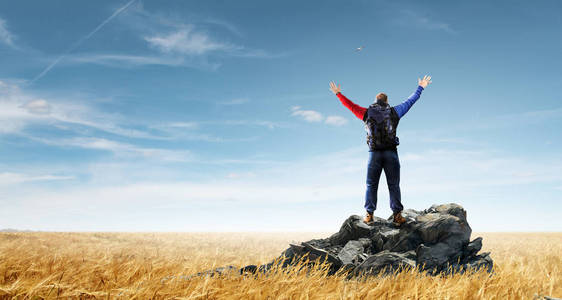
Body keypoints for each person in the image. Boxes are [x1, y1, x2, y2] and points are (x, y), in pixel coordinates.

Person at [329, 75, 432, 225]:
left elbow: (350, 106)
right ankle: (397, 215)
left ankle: (369, 215)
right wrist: (420, 87)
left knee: (371, 185)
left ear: (375, 100)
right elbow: (410, 101)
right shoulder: (395, 111)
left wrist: (338, 94)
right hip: (391, 153)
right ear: (387, 101)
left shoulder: (366, 112)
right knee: (394, 185)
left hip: (374, 154)